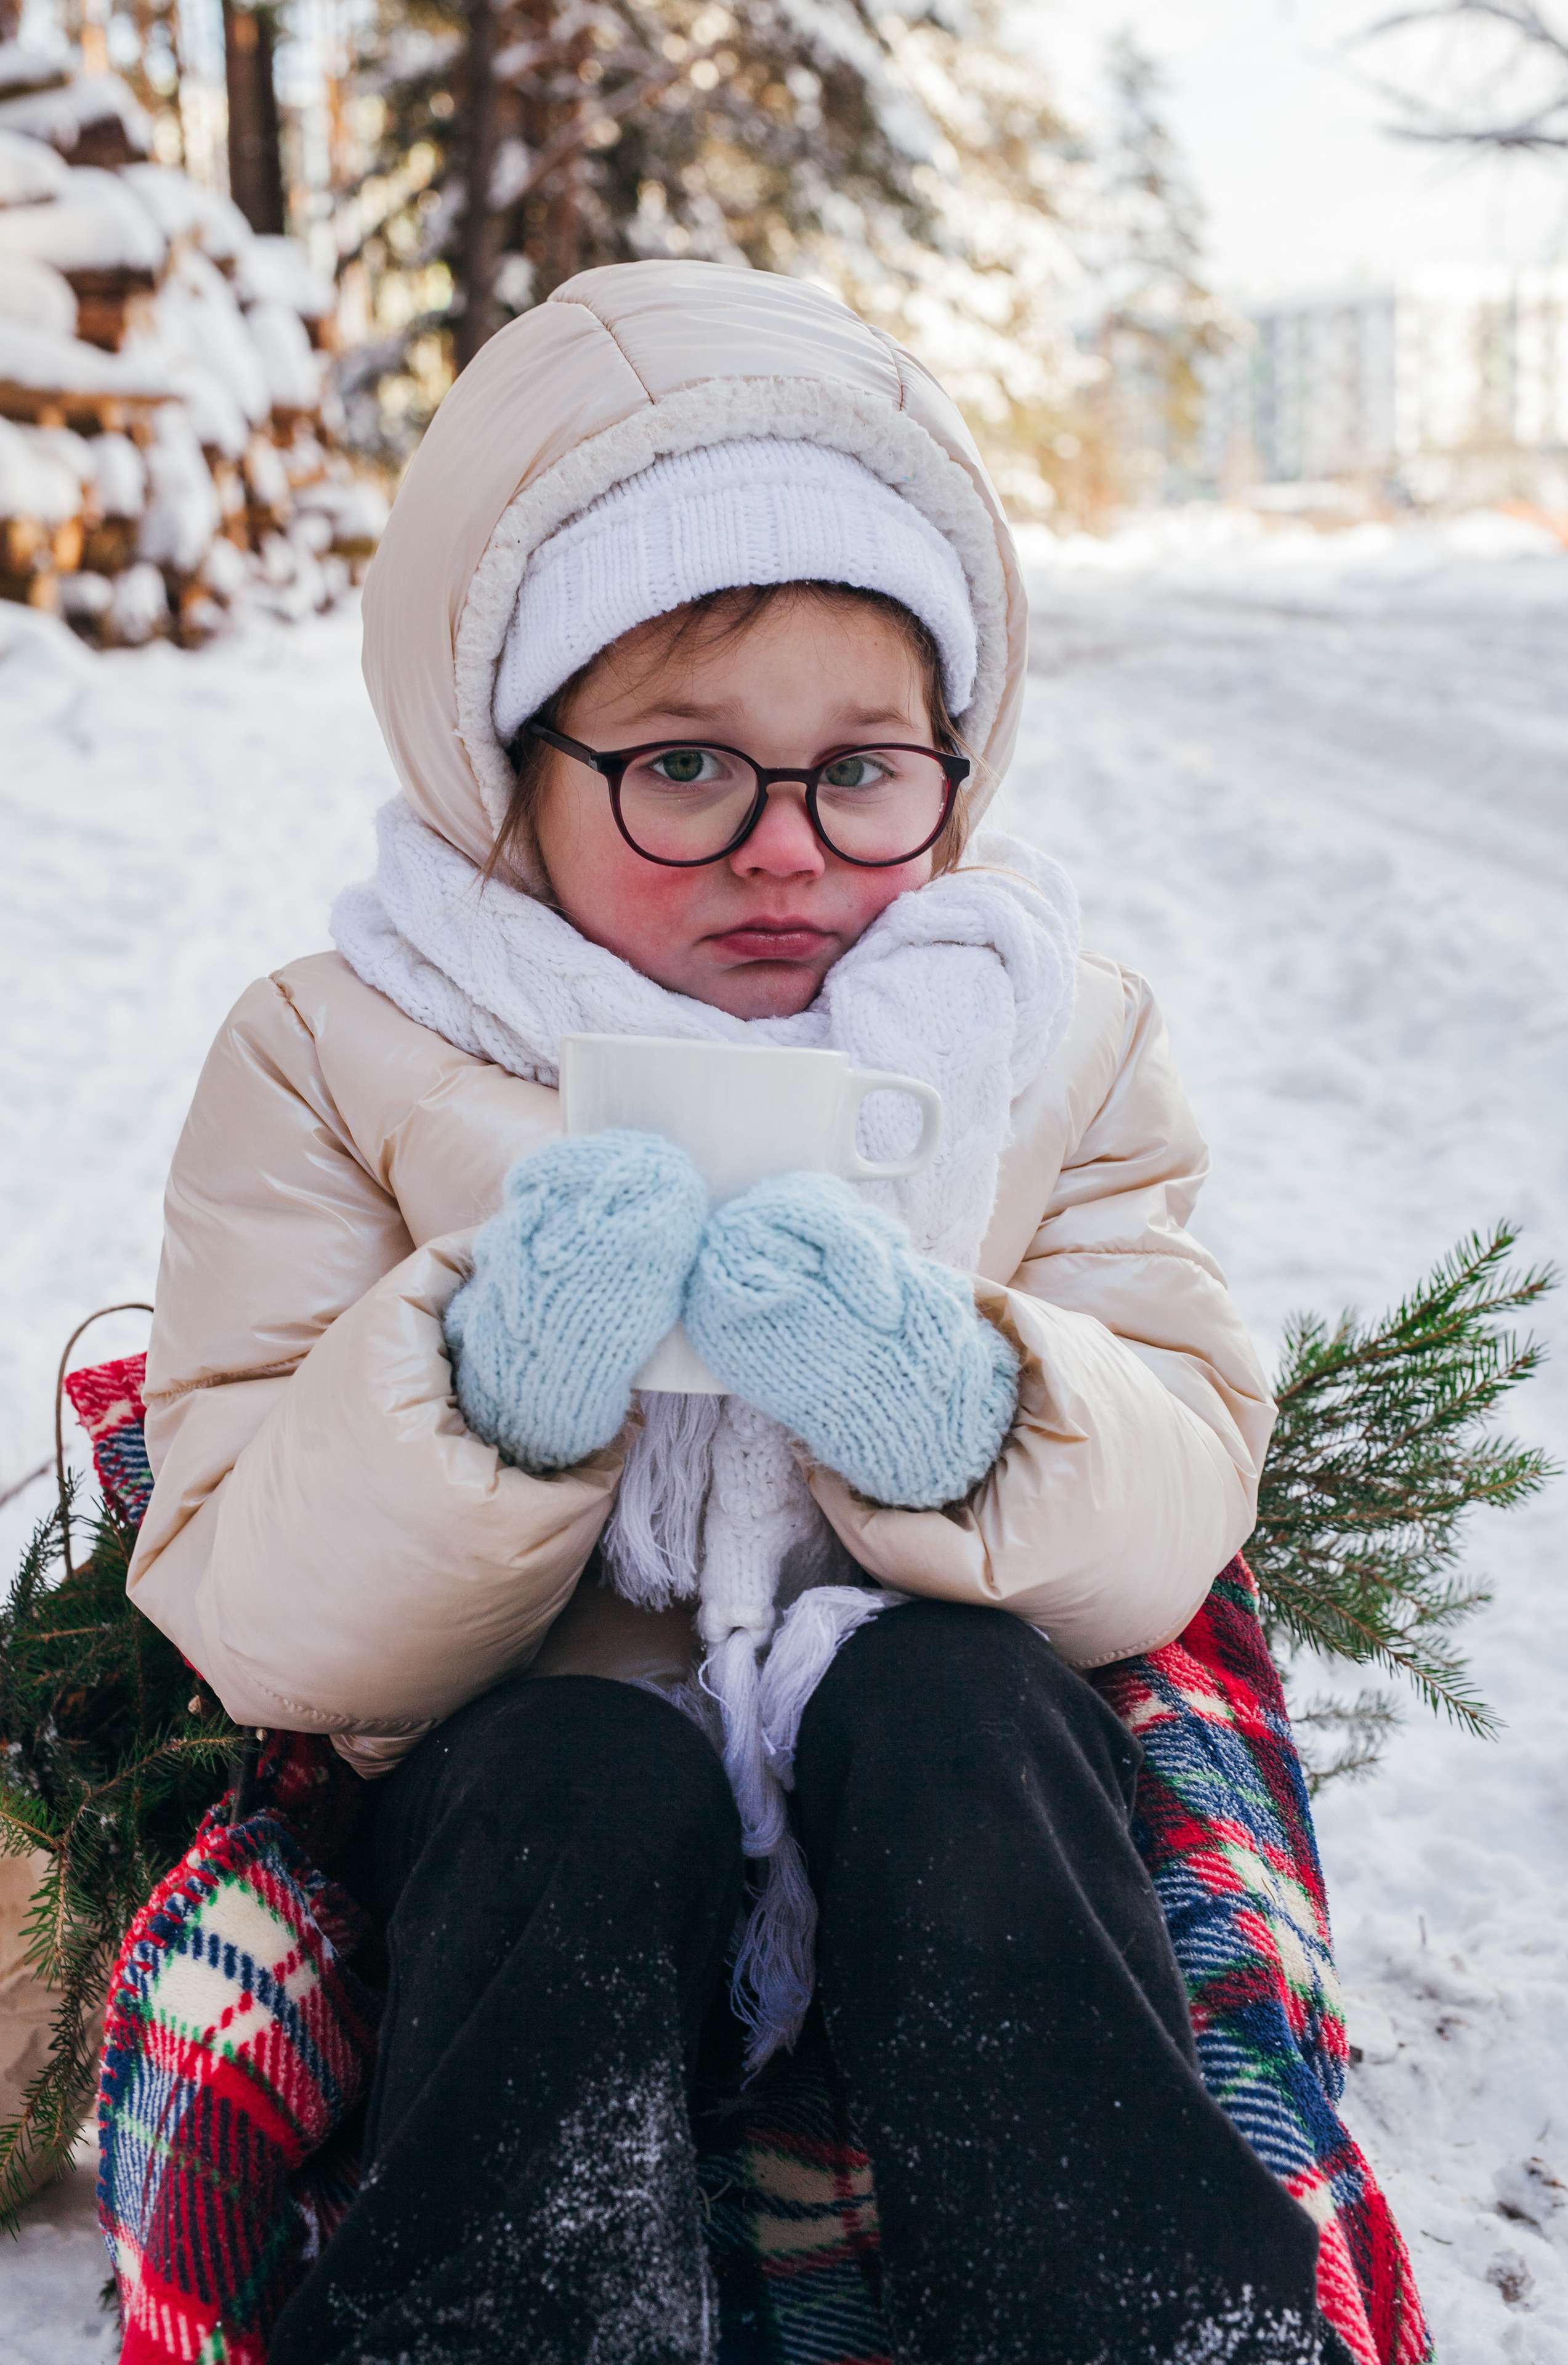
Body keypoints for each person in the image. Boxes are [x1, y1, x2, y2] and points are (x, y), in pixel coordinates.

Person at [127, 261, 1331, 2364]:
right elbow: (260, 1602)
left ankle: (1144, 2312)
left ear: (956, 758)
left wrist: (957, 1411)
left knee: (962, 1720)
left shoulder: (1055, 1039)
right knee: (581, 1788)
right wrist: (496, 1396)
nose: (788, 855)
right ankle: (508, 2309)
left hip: (943, 1723)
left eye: (865, 771)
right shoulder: (340, 1048)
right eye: (685, 768)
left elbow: (1173, 1497)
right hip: (523, 1751)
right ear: (514, 764)